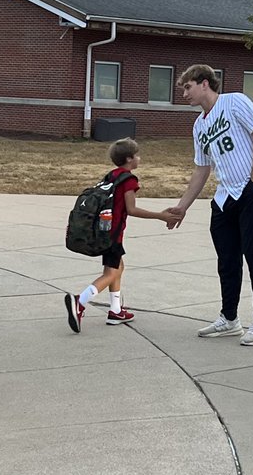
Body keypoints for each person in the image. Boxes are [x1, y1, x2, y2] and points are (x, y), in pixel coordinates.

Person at [167, 64, 253, 346]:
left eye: (187, 87)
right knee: (227, 260)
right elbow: (201, 169)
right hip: (225, 196)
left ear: (204, 83)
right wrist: (182, 206)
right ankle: (229, 318)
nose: (184, 93)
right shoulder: (199, 125)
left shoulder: (234, 101)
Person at [64, 138, 176, 332]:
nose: (140, 158)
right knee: (112, 272)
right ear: (129, 159)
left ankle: (115, 311)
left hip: (104, 230)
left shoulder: (112, 175)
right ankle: (80, 301)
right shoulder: (129, 180)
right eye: (138, 155)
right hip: (112, 233)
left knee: (118, 266)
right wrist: (161, 216)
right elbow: (131, 209)